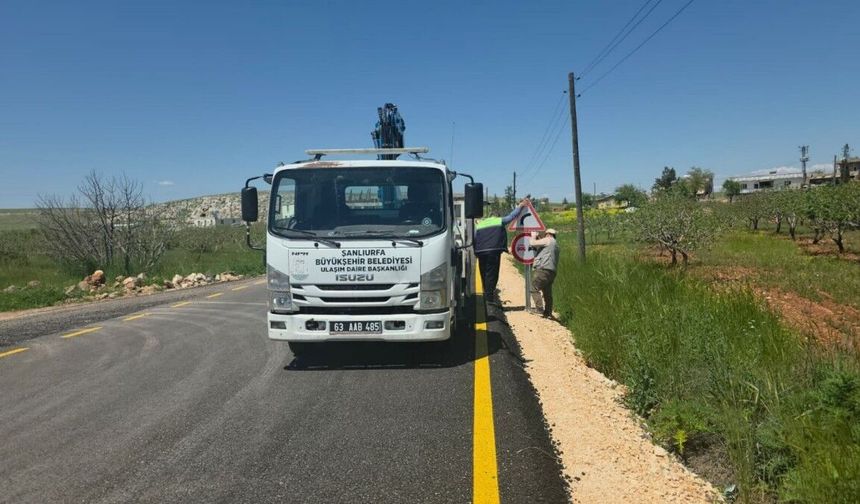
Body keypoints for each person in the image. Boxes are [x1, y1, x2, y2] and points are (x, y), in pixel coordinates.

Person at [474, 198, 529, 302]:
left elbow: (475, 238)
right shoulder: (499, 220)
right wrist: (520, 206)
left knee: (483, 271)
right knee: (491, 273)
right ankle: (489, 297)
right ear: (497, 216)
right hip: (493, 251)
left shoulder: (480, 224)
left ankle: (486, 292)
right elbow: (512, 216)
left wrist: (475, 251)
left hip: (481, 251)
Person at [529, 228, 559, 318]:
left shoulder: (548, 240)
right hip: (552, 272)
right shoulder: (556, 245)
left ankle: (539, 309)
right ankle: (548, 312)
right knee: (547, 292)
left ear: (548, 234)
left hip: (543, 269)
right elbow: (544, 251)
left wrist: (533, 236)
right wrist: (539, 239)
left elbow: (532, 243)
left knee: (533, 287)